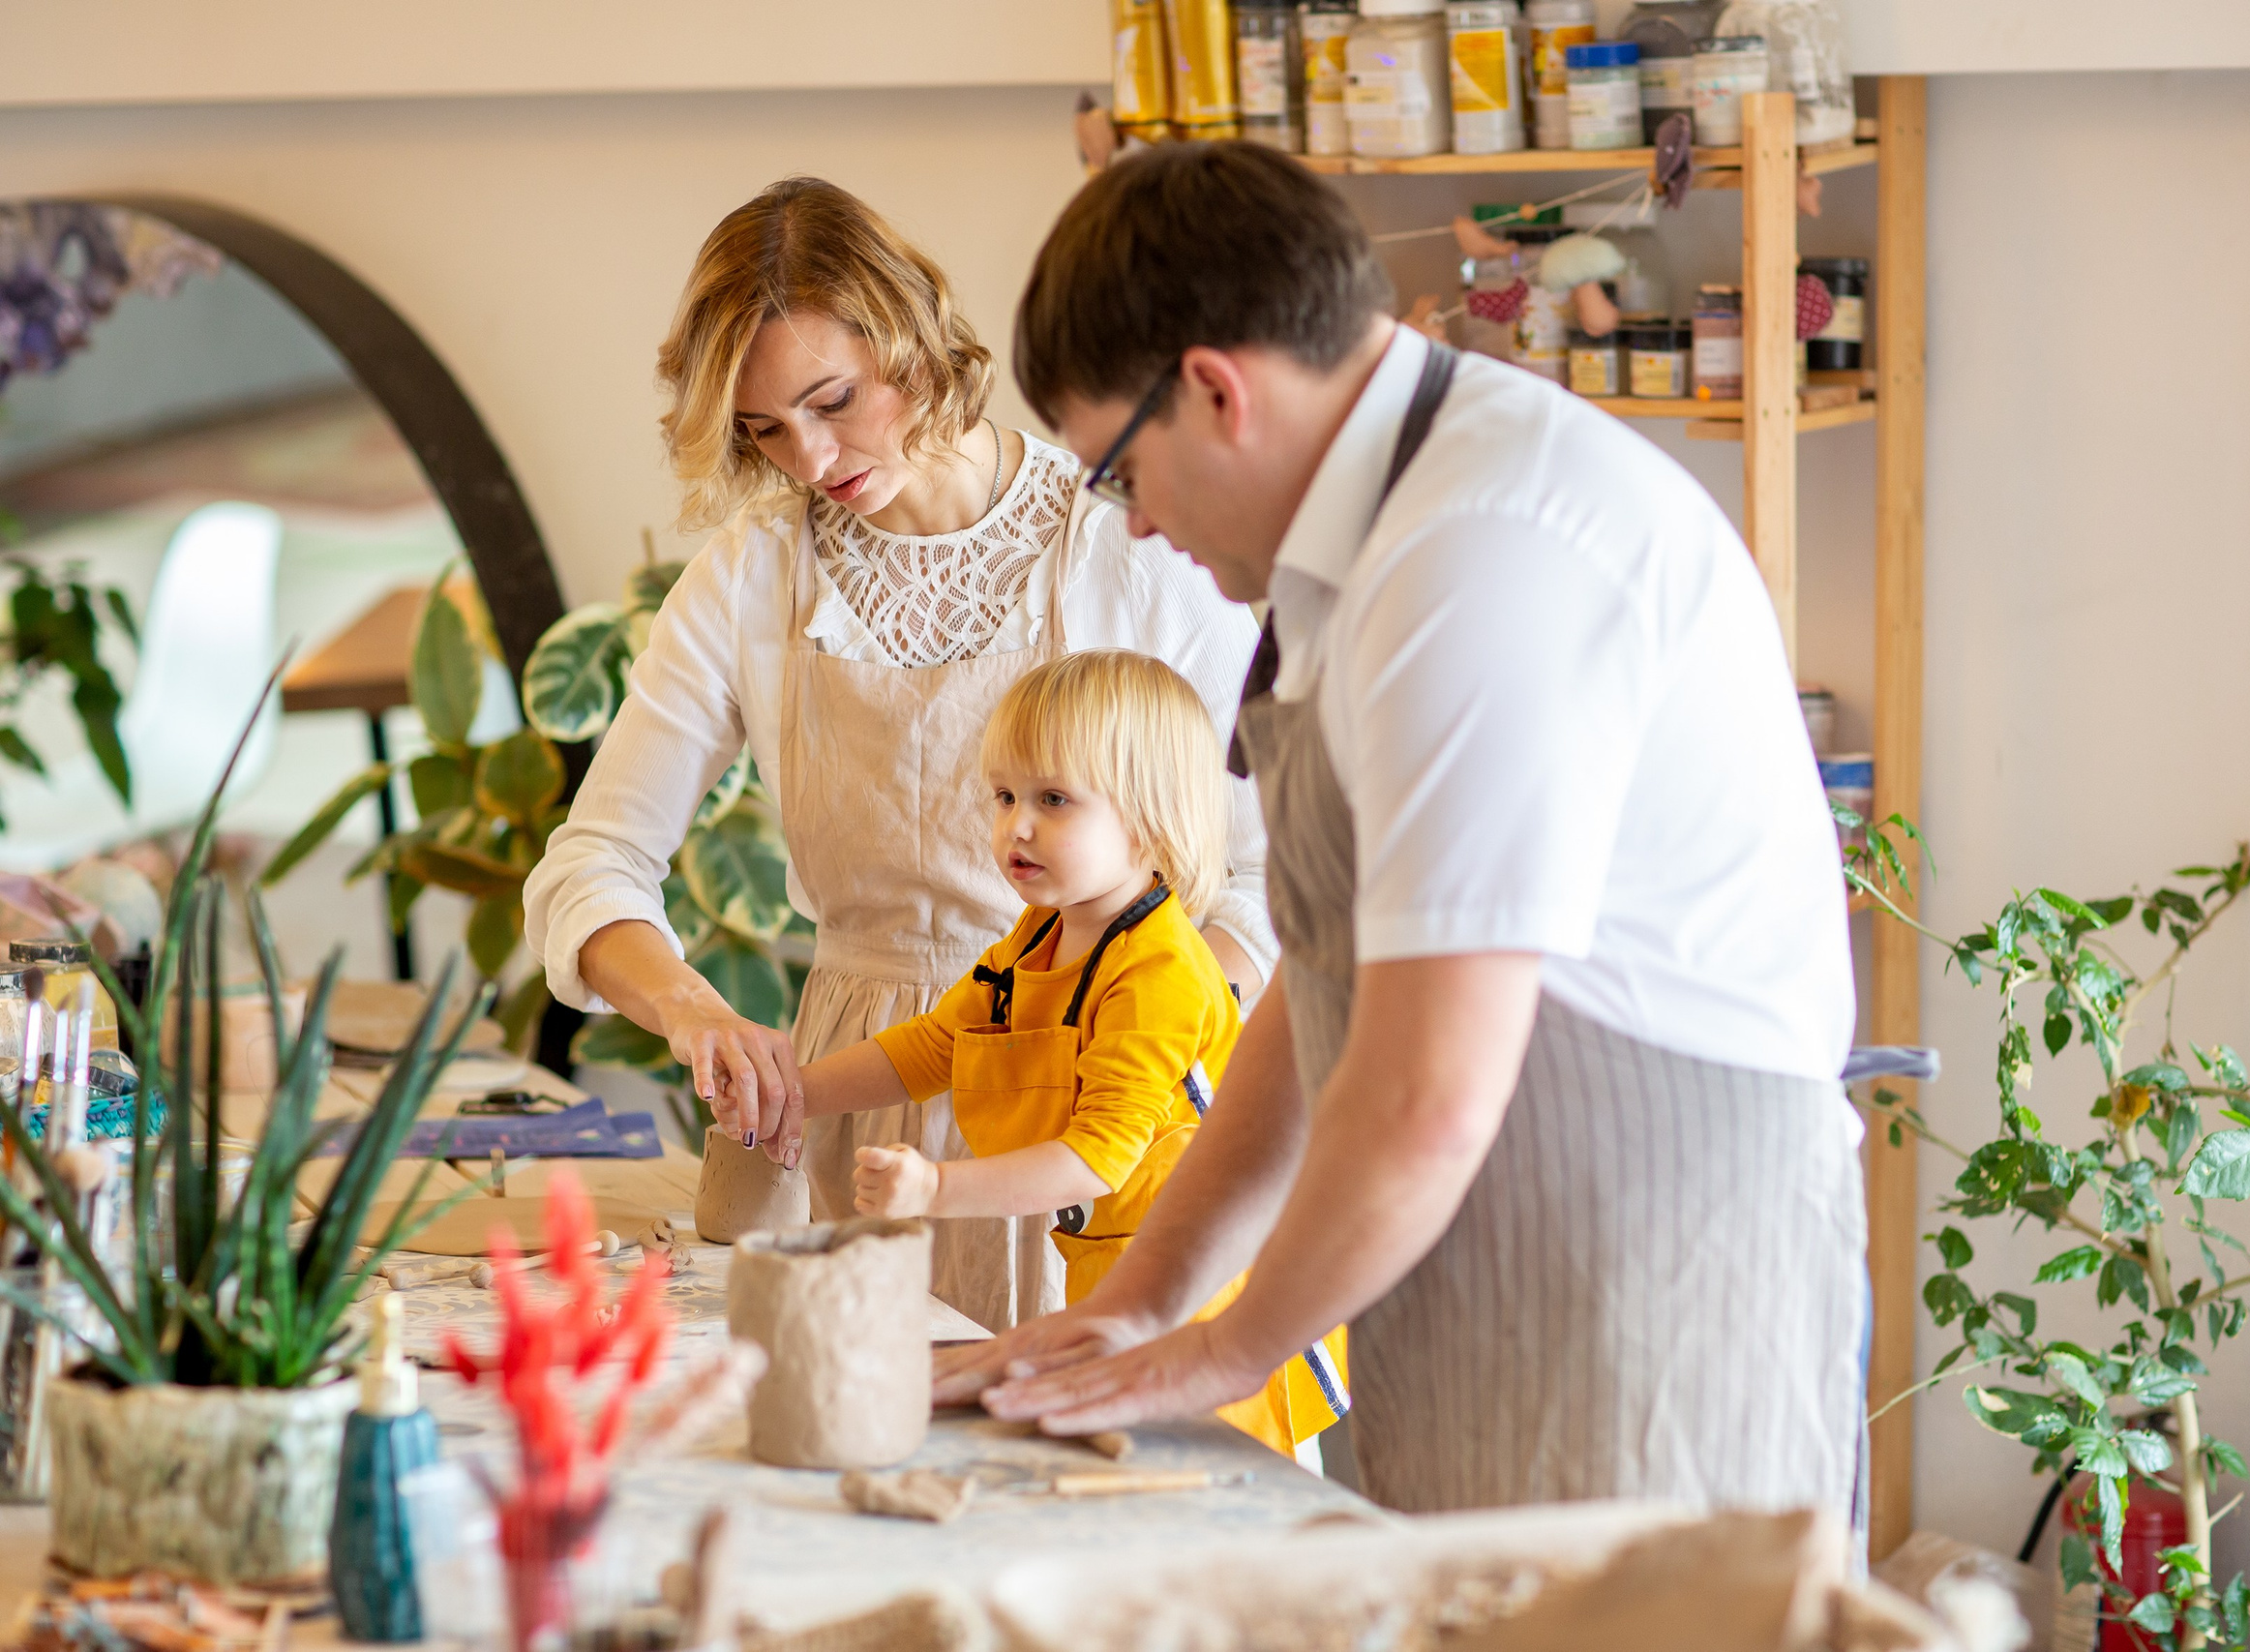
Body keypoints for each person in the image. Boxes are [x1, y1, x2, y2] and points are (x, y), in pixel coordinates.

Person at [934, 142, 1867, 1521]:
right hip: (1493, 1271)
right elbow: (1326, 995)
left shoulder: (1481, 551)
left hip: (1654, 1287)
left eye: (1118, 473)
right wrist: (1142, 1303)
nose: (1134, 525)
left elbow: (1427, 1090)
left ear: (1213, 389)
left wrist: (1227, 1351)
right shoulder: (1364, 543)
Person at [523, 177, 1276, 1336]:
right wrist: (693, 1014)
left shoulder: (1130, 547)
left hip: (1096, 1110)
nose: (811, 459)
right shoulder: (753, 573)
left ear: (915, 342)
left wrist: (1141, 1017)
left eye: (832, 401)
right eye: (764, 430)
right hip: (843, 1107)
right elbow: (593, 863)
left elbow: (1268, 875)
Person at [780, 649, 1347, 1457]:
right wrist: (796, 1093)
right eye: (1005, 794)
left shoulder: (1161, 972)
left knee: (1199, 1498)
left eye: (1054, 800)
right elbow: (940, 1045)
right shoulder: (1040, 935)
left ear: (1148, 821)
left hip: (1206, 1292)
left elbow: (1096, 1158)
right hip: (1113, 1271)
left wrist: (936, 1187)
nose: (1016, 824)